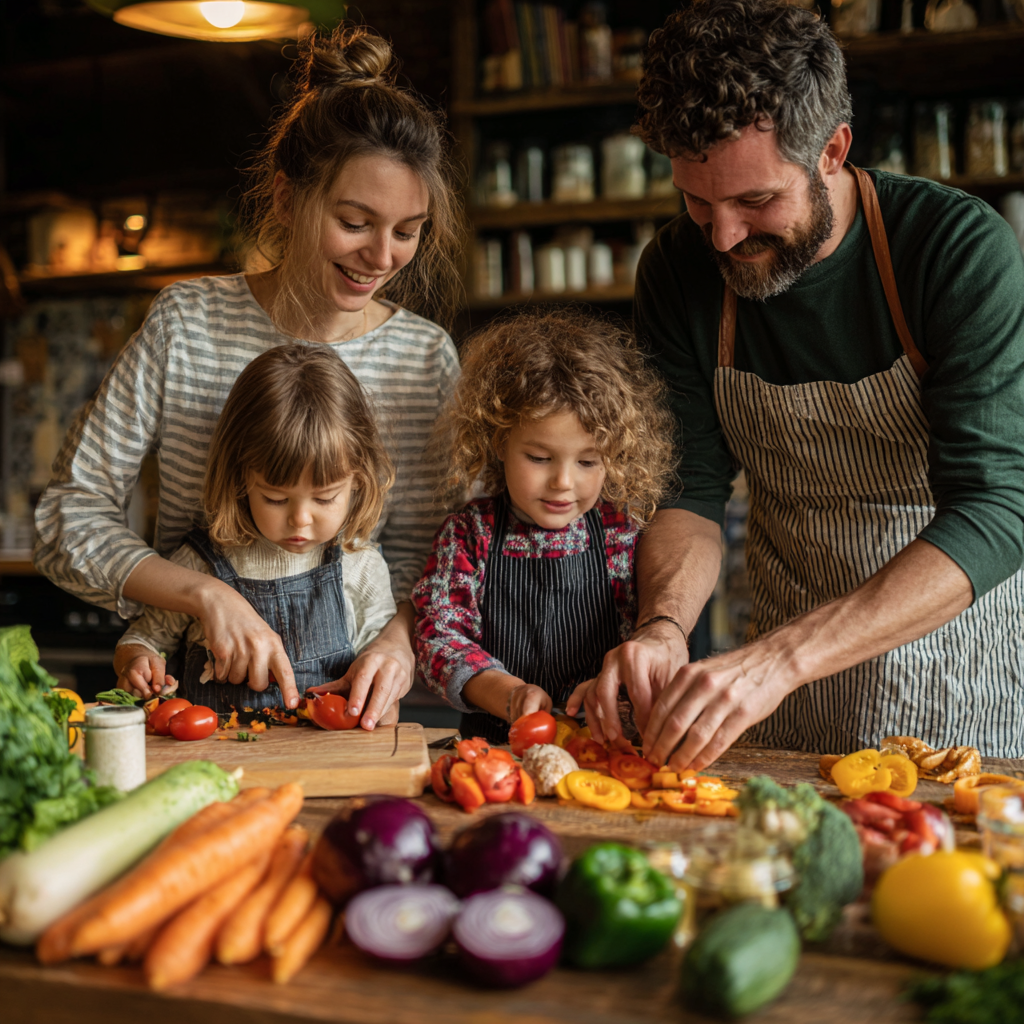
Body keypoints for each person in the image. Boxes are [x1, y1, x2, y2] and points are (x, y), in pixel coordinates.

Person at [570, 0, 1024, 767]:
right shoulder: (679, 269)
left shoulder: (953, 248)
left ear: (832, 150)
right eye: (696, 200)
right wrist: (664, 629)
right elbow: (691, 490)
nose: (723, 237)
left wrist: (780, 660)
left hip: (956, 648)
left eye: (755, 201)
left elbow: (997, 508)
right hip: (783, 665)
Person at [33, 26, 466, 726]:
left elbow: (439, 561)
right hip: (199, 704)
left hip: (357, 716)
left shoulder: (424, 358)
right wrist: (206, 596)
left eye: (408, 229)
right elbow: (66, 522)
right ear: (289, 198)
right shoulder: (187, 325)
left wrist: (396, 640)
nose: (383, 255)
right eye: (355, 221)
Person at [412, 308, 676, 744]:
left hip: (604, 750)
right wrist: (508, 694)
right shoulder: (468, 534)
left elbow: (645, 641)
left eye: (588, 461)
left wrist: (620, 690)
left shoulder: (620, 531)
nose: (562, 482)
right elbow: (439, 635)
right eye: (539, 458)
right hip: (495, 752)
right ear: (499, 441)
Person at [113, 344, 396, 713]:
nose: (300, 519)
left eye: (324, 499)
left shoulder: (361, 567)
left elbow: (385, 681)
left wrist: (380, 696)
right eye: (276, 499)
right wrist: (138, 664)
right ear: (240, 479)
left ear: (357, 481)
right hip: (217, 765)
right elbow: (142, 640)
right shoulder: (197, 564)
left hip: (331, 766)